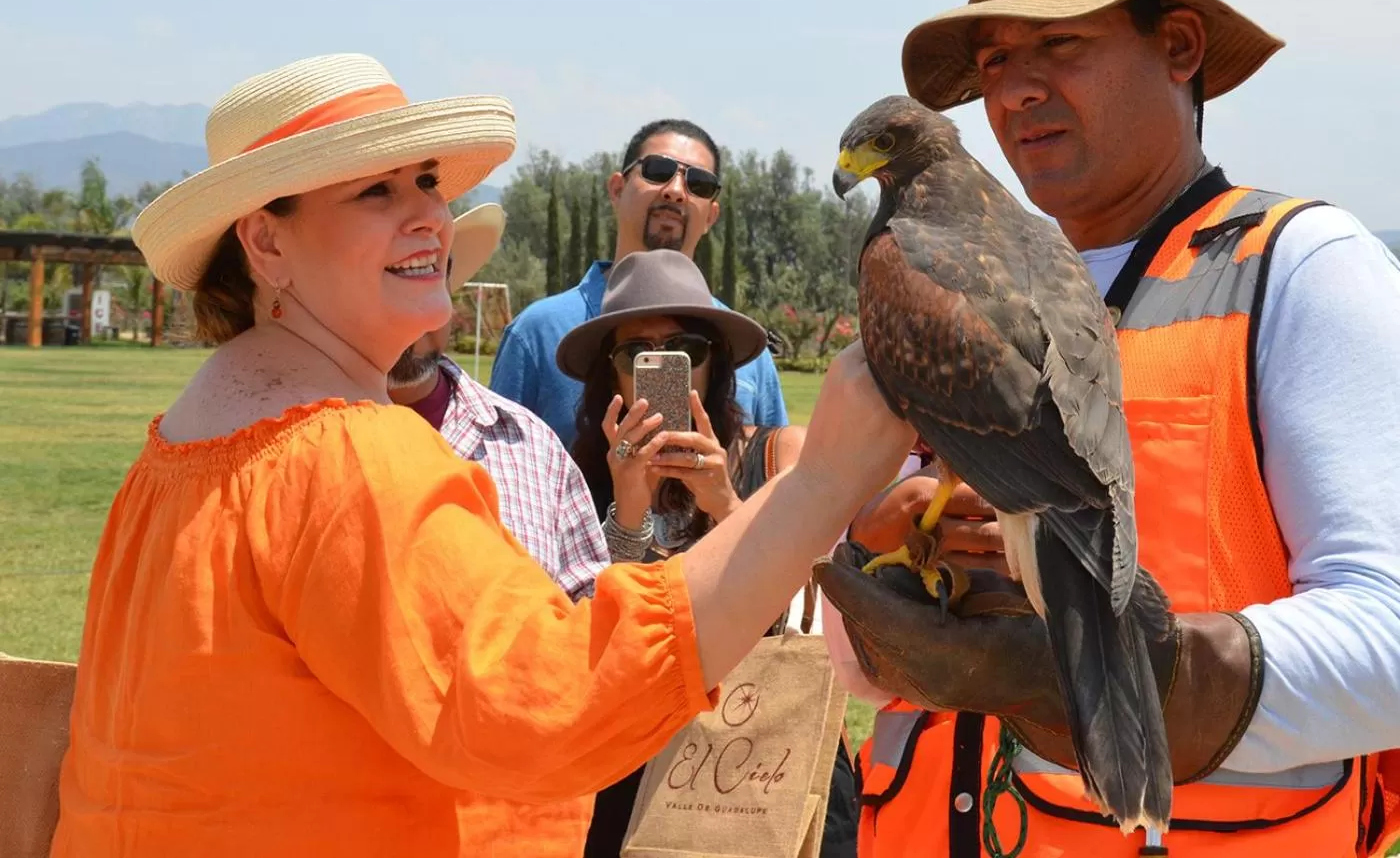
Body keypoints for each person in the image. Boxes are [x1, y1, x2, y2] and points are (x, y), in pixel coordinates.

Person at [48, 53, 917, 858]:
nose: (431, 211)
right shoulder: (346, 454)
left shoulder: (181, 446)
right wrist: (820, 485)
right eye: (376, 192)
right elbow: (547, 703)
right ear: (266, 242)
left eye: (427, 181)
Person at [816, 0, 1400, 857]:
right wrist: (885, 573)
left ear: (1176, 47)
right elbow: (887, 678)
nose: (1013, 90)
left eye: (1060, 45)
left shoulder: (1299, 269)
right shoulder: (944, 274)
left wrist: (1132, 675)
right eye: (995, 60)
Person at [553, 248, 858, 857]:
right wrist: (630, 510)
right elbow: (587, 643)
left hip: (769, 752)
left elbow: (807, 616)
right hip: (633, 775)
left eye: (683, 350)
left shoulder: (781, 458)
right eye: (634, 353)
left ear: (714, 364)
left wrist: (726, 504)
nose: (659, 368)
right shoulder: (576, 477)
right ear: (609, 376)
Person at [489, 118, 788, 447]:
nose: (675, 191)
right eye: (658, 170)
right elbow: (497, 479)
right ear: (617, 189)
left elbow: (769, 484)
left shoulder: (746, 352)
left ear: (711, 217)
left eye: (699, 183)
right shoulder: (536, 334)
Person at [388, 203, 609, 605]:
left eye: (432, 273)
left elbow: (590, 628)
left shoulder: (534, 446)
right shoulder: (286, 453)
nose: (417, 303)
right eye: (395, 276)